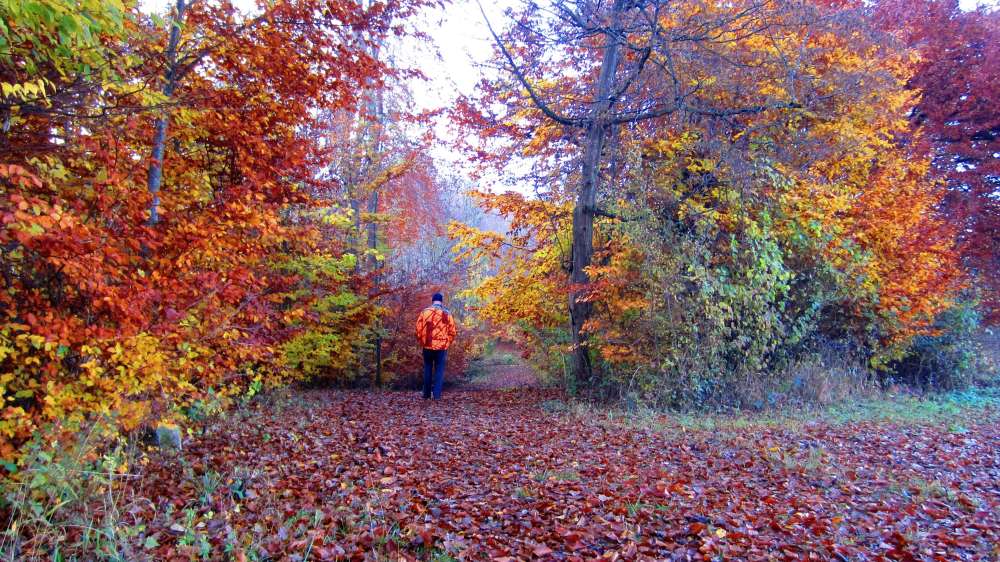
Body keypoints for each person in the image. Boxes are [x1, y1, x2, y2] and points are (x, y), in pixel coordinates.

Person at [415, 292, 457, 400]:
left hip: (427, 346)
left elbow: (418, 330)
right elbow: (452, 332)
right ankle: (437, 396)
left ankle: (426, 395)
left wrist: (422, 342)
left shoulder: (424, 312)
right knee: (439, 370)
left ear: (432, 300)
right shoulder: (447, 313)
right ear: (441, 301)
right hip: (442, 347)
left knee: (427, 368)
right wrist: (447, 343)